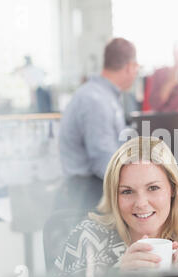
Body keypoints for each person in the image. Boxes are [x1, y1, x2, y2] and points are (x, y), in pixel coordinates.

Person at [55, 136, 178, 275]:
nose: (141, 203)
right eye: (127, 191)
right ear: (115, 196)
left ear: (172, 189)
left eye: (153, 188)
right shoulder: (87, 239)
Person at [57, 38, 139, 213]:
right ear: (130, 67)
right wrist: (141, 180)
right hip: (87, 193)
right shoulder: (96, 101)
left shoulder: (103, 96)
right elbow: (103, 160)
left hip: (91, 188)